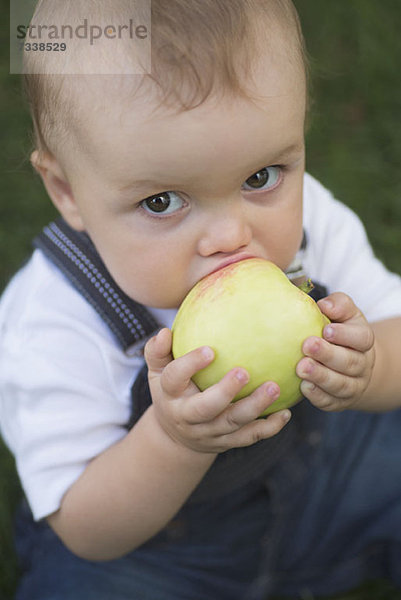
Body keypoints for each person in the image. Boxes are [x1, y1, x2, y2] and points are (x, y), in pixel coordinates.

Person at [1, 1, 401, 598]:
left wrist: (364, 370)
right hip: (160, 554)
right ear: (68, 191)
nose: (230, 237)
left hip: (326, 481)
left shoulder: (310, 218)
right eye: (162, 202)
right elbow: (85, 528)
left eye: (261, 177)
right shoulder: (55, 321)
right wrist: (171, 439)